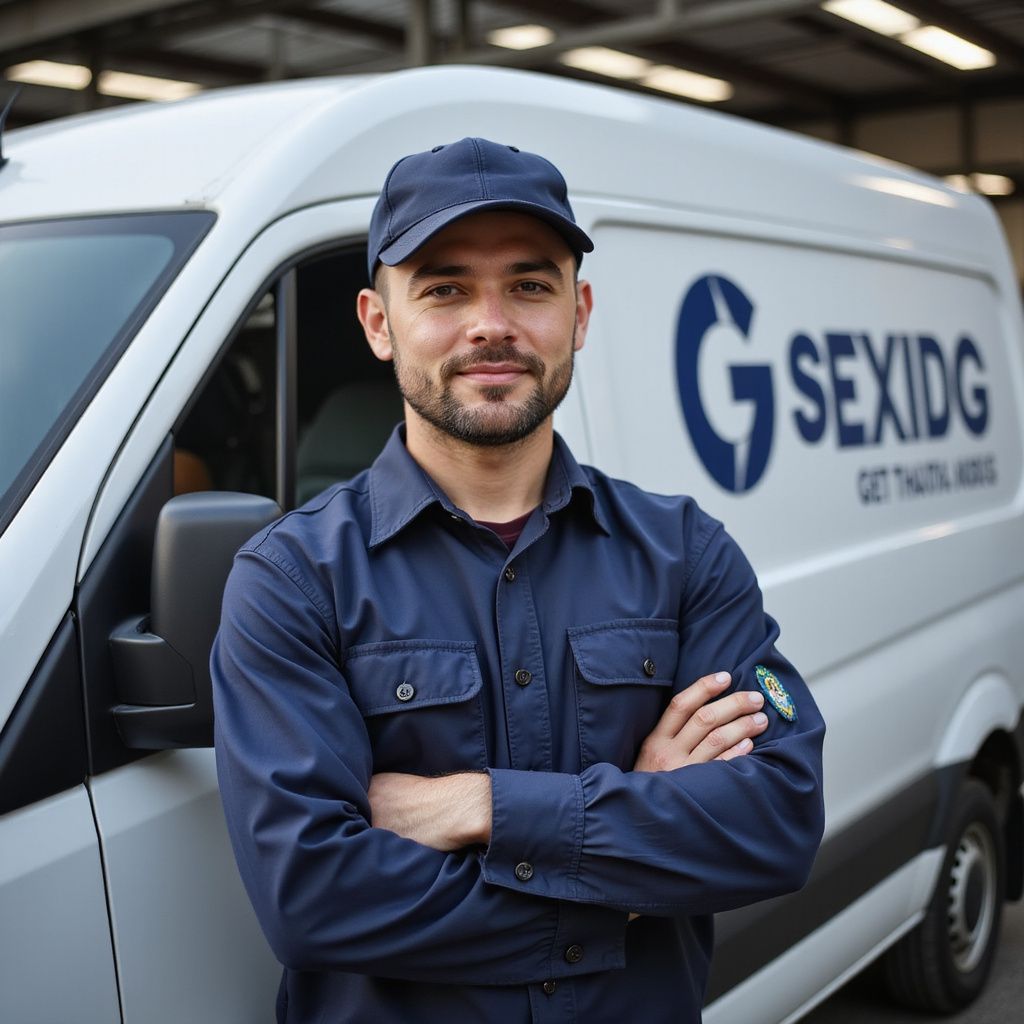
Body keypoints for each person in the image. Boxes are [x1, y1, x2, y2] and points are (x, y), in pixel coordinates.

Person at [212, 137, 825, 1024]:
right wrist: (636, 836)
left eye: (529, 286)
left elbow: (775, 824)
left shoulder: (686, 554)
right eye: (444, 287)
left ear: (578, 313)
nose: (490, 322)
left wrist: (481, 806)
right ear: (379, 323)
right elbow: (314, 901)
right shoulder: (292, 581)